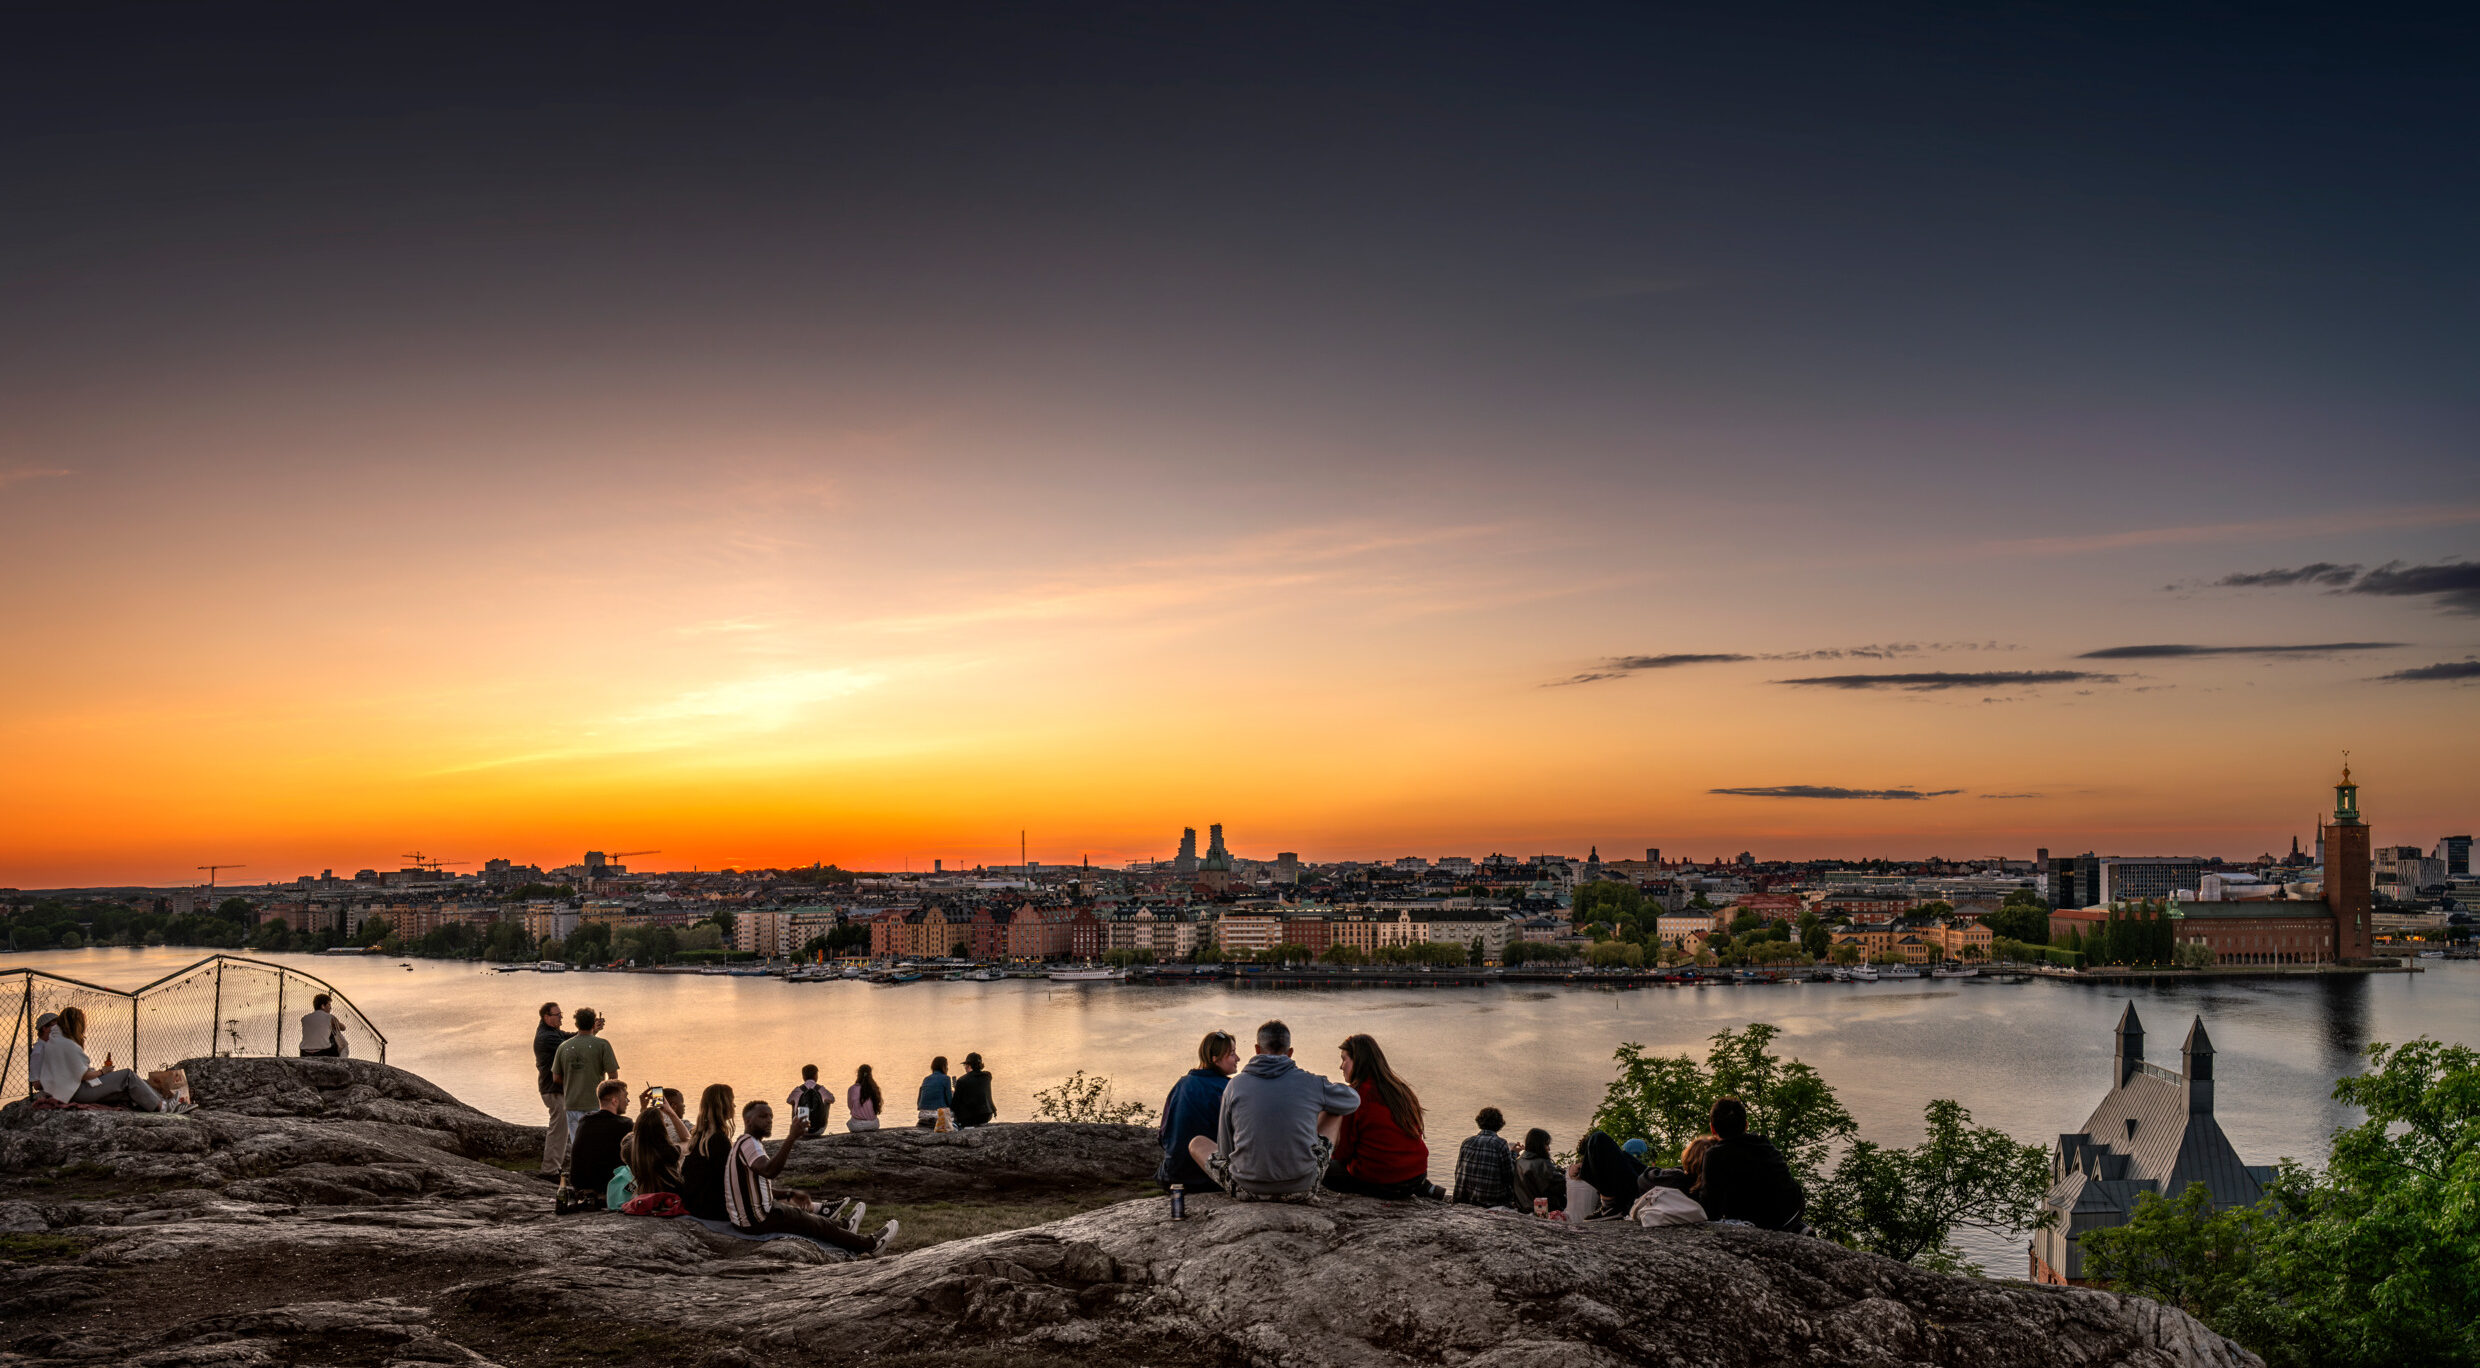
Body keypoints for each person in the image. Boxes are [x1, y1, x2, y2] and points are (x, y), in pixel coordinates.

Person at [1185, 1019, 1359, 1198]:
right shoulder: (1313, 1083)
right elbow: (1352, 1101)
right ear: (1290, 1052)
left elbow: (1225, 1151)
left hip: (1246, 1189)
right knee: (1335, 1109)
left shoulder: (1235, 1086)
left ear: (1257, 1050)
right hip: (1302, 1187)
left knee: (1196, 1143)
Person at [725, 1099, 899, 1256]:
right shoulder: (749, 1144)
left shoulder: (744, 1142)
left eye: (771, 1116)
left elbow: (753, 1186)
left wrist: (788, 1194)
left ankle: (845, 1226)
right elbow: (769, 1171)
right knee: (815, 1224)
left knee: (809, 1218)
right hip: (758, 1220)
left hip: (752, 1217)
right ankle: (870, 1245)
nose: (769, 1120)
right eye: (763, 1116)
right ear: (748, 1120)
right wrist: (791, 1137)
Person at [1324, 1033, 1437, 1200]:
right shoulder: (1399, 1089)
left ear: (1358, 1061)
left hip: (1381, 1183)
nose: (1341, 1067)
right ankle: (1424, 1188)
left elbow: (1343, 1153)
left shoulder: (1355, 1096)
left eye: (1344, 1059)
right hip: (1416, 1175)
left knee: (1318, 1167)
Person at [35, 1007, 183, 1112]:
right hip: (77, 1092)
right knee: (127, 1075)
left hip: (68, 1091)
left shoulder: (55, 1044)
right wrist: (102, 1071)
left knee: (127, 1089)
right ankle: (164, 1107)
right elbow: (83, 1075)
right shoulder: (65, 1045)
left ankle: (163, 1103)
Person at [1698, 1096, 1807, 1232]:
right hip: (1794, 1209)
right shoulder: (1762, 1142)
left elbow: (1710, 1206)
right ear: (1746, 1125)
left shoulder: (1714, 1155)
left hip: (1766, 1223)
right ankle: (1799, 1228)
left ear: (1713, 1129)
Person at [1156, 1030, 1239, 1188]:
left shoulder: (1181, 1085)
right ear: (1215, 1059)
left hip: (1173, 1175)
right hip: (1208, 1178)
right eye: (1232, 1054)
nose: (1238, 1059)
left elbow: (1162, 1136)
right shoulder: (1228, 1089)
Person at [550, 1007, 619, 1148]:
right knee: (597, 1146)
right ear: (594, 1024)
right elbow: (613, 1076)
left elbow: (556, 1078)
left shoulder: (563, 1047)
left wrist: (573, 1081)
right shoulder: (602, 1045)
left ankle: (578, 1170)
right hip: (595, 1104)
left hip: (572, 1104)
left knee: (577, 1146)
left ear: (576, 1024)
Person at [567, 1079, 634, 1204]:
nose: (627, 1102)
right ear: (614, 1100)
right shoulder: (625, 1124)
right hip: (610, 1187)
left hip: (580, 1186)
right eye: (625, 1097)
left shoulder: (584, 1121)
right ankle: (632, 1194)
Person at [680, 1084, 738, 1221]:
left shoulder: (700, 1137)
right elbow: (727, 1180)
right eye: (732, 1101)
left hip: (696, 1205)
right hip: (712, 1210)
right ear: (722, 1105)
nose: (734, 1106)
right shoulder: (718, 1140)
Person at [1570, 1128, 1651, 1217]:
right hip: (1640, 1187)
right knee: (1598, 1138)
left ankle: (1609, 1205)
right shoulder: (1627, 1161)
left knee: (1598, 1137)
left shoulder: (1625, 1164)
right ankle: (1609, 1205)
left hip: (1632, 1194)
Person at [533, 1002, 572, 1178]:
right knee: (558, 1128)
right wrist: (588, 1035)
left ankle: (553, 1167)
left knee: (562, 1127)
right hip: (552, 1088)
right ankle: (550, 1169)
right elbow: (571, 1047)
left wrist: (590, 1031)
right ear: (546, 1017)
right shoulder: (546, 1037)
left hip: (555, 1088)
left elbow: (570, 1037)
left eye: (560, 1013)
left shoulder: (552, 1032)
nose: (561, 1017)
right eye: (557, 1014)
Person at [1451, 1107, 1517, 1207]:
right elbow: (1509, 1176)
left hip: (1465, 1198)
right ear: (1500, 1124)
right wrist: (1514, 1154)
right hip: (1491, 1201)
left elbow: (1457, 1171)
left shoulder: (1467, 1142)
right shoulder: (1501, 1144)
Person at [623, 1099, 685, 1197]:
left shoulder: (628, 1150)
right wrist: (671, 1112)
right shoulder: (670, 1151)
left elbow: (637, 1136)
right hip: (671, 1196)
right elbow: (687, 1140)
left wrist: (644, 1110)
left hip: (643, 1195)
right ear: (662, 1128)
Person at [1512, 1128, 1565, 1213]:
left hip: (1523, 1208)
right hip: (1542, 1210)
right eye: (1546, 1144)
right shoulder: (1542, 1164)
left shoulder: (1519, 1160)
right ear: (1539, 1145)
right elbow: (1562, 1185)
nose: (1549, 1148)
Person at [950, 1053, 995, 1128]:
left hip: (970, 1119)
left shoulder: (961, 1080)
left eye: (965, 1065)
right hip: (987, 1115)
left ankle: (957, 1126)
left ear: (968, 1065)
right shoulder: (987, 1077)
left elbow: (955, 1105)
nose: (964, 1067)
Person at [788, 1065, 834, 1134]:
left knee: (793, 1102)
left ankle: (798, 1125)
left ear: (803, 1077)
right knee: (827, 1102)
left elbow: (788, 1101)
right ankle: (821, 1124)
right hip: (818, 1130)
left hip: (801, 1131)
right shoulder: (820, 1089)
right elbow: (832, 1099)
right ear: (816, 1076)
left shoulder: (798, 1090)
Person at [298, 993, 347, 1058]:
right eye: (329, 1005)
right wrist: (333, 1024)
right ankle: (341, 1062)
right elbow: (343, 1028)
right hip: (323, 1052)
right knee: (339, 1039)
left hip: (304, 1052)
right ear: (323, 1006)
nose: (330, 1008)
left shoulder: (305, 1018)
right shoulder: (330, 1017)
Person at [916, 1056, 954, 1128]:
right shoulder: (946, 1078)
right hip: (938, 1115)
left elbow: (919, 1101)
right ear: (944, 1066)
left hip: (923, 1115)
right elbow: (950, 1102)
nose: (948, 1068)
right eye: (947, 1065)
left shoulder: (926, 1079)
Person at [846, 1064, 883, 1131]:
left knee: (849, 1123)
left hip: (858, 1126)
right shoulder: (874, 1088)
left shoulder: (852, 1089)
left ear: (858, 1074)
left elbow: (850, 1106)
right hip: (874, 1124)